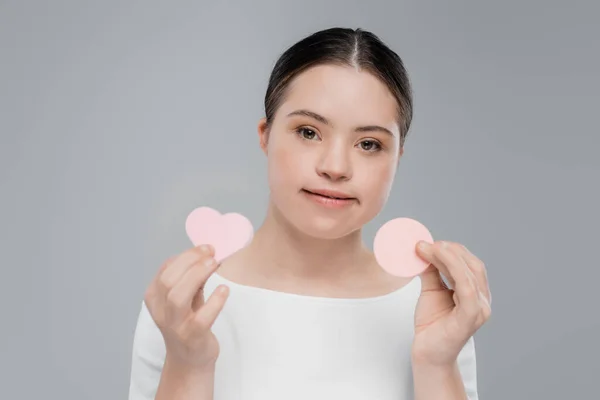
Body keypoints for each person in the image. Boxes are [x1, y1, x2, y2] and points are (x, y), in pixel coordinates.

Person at [128, 27, 492, 400]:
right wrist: (189, 364)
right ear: (265, 135)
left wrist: (436, 364)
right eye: (308, 132)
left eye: (369, 144)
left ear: (397, 157)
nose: (335, 167)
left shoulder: (432, 313)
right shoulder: (182, 304)